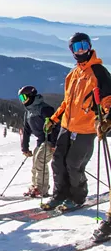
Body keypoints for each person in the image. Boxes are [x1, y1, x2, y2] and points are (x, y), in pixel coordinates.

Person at [42, 32, 111, 211]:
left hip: (86, 128)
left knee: (74, 164)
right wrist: (55, 119)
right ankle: (59, 195)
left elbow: (107, 98)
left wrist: (107, 117)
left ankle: (77, 197)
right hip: (67, 125)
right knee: (57, 162)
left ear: (90, 47)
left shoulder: (99, 72)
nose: (81, 51)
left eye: (84, 46)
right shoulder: (73, 74)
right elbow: (67, 102)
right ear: (71, 51)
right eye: (76, 47)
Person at [18, 85, 58, 198]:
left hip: (50, 139)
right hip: (41, 141)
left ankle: (41, 188)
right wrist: (24, 148)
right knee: (35, 163)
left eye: (24, 97)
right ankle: (35, 186)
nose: (23, 101)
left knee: (40, 161)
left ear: (31, 96)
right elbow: (26, 131)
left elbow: (55, 126)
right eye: (20, 98)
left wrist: (54, 143)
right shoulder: (28, 112)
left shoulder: (45, 109)